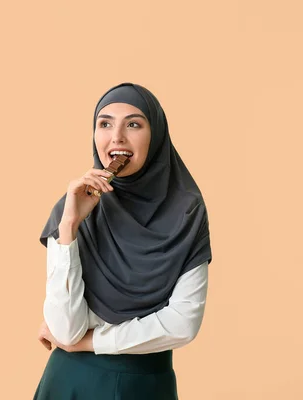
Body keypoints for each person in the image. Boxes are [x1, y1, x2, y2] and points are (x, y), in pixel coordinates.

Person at [33, 83, 212, 399]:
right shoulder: (72, 206)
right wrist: (70, 227)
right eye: (104, 123)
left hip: (146, 385)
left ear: (154, 136)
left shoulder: (186, 212)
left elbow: (183, 323)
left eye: (133, 124)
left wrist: (90, 343)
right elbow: (64, 330)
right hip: (71, 381)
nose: (116, 137)